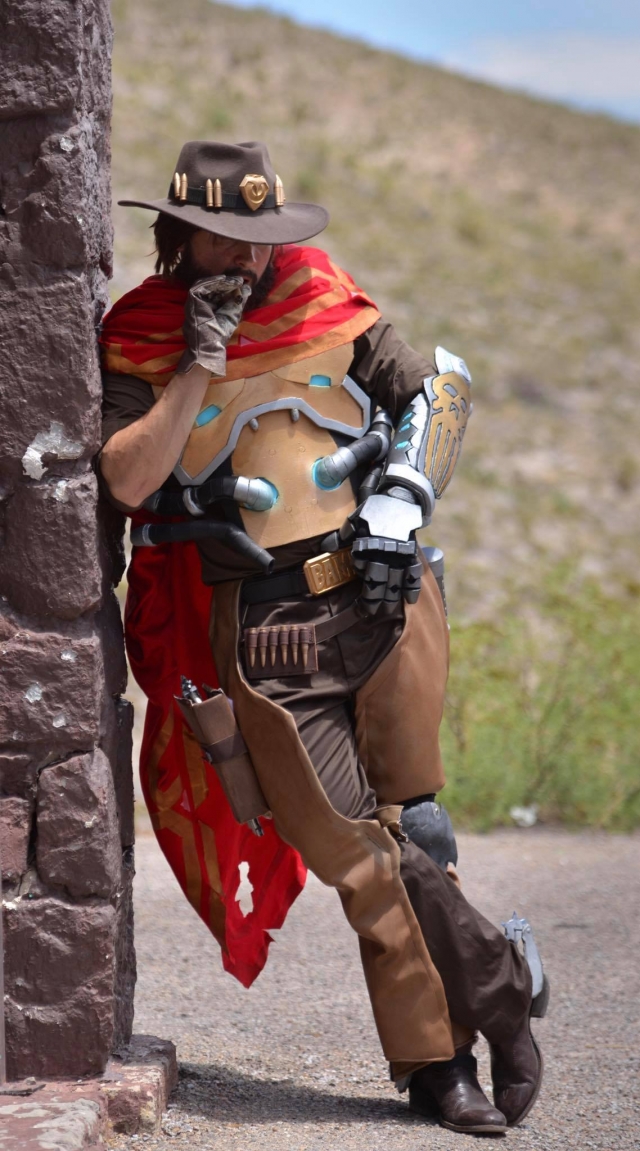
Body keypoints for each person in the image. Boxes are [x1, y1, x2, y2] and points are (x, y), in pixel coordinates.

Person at [99, 140, 546, 1135]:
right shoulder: (141, 330)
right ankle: (504, 988)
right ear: (180, 234)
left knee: (417, 828)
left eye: (260, 238)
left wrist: (403, 498)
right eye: (226, 239)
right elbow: (127, 478)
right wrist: (198, 360)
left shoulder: (319, 291)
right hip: (264, 627)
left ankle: (440, 1066)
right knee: (358, 853)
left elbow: (437, 388)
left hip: (384, 594)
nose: (248, 258)